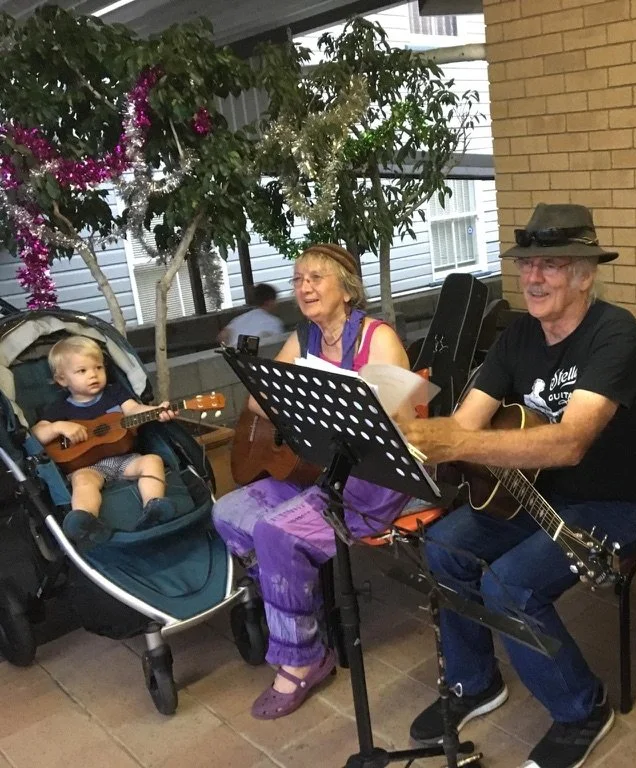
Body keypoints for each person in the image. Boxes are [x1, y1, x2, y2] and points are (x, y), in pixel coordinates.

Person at [400, 203, 636, 768]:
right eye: (526, 265)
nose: (533, 277)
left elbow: (570, 442)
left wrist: (456, 444)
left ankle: (582, 710)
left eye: (551, 264)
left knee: (510, 587)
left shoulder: (613, 333)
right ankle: (475, 683)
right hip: (534, 494)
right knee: (444, 549)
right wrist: (409, 436)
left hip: (616, 500)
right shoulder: (518, 334)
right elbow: (465, 423)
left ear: (585, 275)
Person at [212, 243, 414, 720]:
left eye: (316, 278)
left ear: (347, 289)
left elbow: (403, 424)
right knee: (229, 512)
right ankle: (298, 606)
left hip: (368, 478)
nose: (303, 287)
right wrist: (302, 404)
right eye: (298, 278)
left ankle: (303, 660)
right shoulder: (303, 339)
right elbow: (256, 404)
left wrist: (338, 408)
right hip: (315, 469)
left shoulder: (377, 339)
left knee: (276, 532)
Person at [31, 336, 178, 546]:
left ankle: (155, 506)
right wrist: (58, 427)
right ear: (62, 380)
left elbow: (134, 411)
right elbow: (37, 433)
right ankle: (85, 520)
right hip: (87, 466)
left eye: (98, 367)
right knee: (82, 482)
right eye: (82, 371)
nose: (93, 375)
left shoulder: (114, 392)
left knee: (152, 460)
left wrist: (156, 411)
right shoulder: (60, 408)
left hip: (125, 459)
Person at [218, 283, 285, 348]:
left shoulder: (239, 319)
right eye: (275, 300)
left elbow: (222, 336)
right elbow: (277, 346)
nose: (277, 304)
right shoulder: (274, 322)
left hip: (234, 356)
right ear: (269, 302)